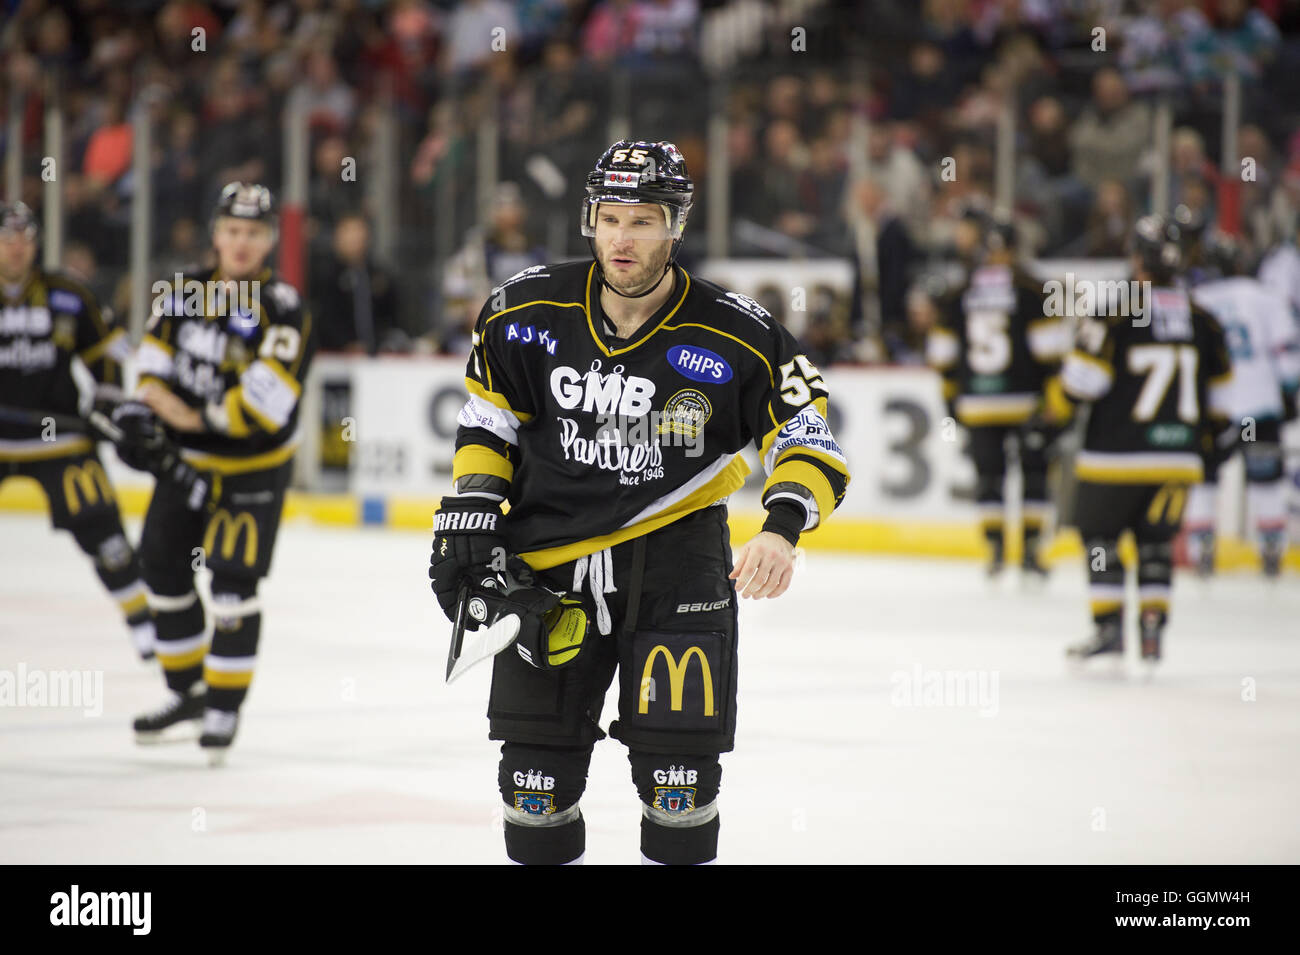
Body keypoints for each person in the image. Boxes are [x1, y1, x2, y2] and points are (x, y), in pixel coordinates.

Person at [428, 140, 851, 865]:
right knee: (535, 794)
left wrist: (782, 529)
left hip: (677, 570)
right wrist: (475, 499)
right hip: (548, 572)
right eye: (610, 217)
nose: (622, 238)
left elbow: (809, 433)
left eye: (644, 221)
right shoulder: (522, 309)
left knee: (678, 797)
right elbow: (488, 416)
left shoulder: (738, 331)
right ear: (590, 220)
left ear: (677, 226)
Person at [129, 182, 316, 764]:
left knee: (232, 586)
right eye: (232, 231)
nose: (241, 243)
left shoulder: (284, 308)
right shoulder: (181, 292)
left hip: (251, 473)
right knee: (161, 572)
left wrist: (189, 413)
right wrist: (162, 410)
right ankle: (188, 694)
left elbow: (264, 406)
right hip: (185, 464)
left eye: (253, 233)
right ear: (216, 234)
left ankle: (223, 710)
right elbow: (148, 372)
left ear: (269, 240)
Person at [1047, 215, 1233, 664]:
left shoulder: (1114, 310)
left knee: (1099, 539)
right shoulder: (1204, 318)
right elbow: (1222, 399)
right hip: (1178, 459)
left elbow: (1082, 383)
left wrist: (1049, 417)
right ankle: (1153, 629)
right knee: (1155, 543)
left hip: (1114, 457)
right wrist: (1207, 446)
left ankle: (1110, 629)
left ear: (1137, 258)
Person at [0, 200, 155, 660]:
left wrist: (108, 405)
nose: (16, 250)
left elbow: (105, 353)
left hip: (60, 439)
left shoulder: (68, 294)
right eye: (7, 240)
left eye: (24, 240)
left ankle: (145, 624)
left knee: (106, 537)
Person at [926, 209, 1067, 579]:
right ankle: (1032, 552)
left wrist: (952, 402)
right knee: (1035, 474)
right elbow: (1050, 353)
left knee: (989, 477)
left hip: (978, 403)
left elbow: (942, 356)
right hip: (1025, 403)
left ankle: (996, 551)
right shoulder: (1033, 290)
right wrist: (1055, 400)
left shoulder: (960, 292)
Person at [1185, 231, 1299, 577]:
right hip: (1257, 406)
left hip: (1214, 409)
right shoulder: (1265, 297)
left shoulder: (1195, 300)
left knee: (1204, 478)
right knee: (1264, 480)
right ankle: (1270, 549)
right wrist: (1289, 392)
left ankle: (1202, 548)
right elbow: (1287, 357)